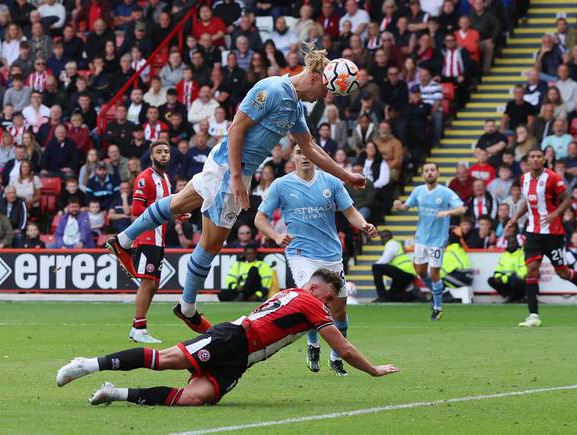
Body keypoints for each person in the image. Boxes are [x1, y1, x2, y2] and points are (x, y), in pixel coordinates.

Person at [106, 45, 366, 334]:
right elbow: (236, 129)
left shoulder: (293, 106)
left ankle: (124, 240)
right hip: (231, 168)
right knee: (211, 244)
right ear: (317, 77)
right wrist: (237, 177)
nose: (322, 97)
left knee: (180, 203)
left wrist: (346, 176)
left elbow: (310, 147)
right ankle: (187, 306)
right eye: (325, 91)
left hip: (228, 166)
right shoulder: (273, 89)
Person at [56, 269, 399, 406]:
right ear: (314, 289)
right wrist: (373, 370)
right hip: (235, 340)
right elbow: (343, 346)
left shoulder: (295, 296)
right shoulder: (309, 301)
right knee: (165, 361)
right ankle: (85, 365)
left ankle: (115, 393)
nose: (327, 305)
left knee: (196, 398)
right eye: (327, 297)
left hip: (241, 355)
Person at [255, 144, 376, 376]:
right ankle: (313, 344)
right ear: (293, 157)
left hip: (331, 254)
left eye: (308, 152)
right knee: (311, 301)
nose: (305, 156)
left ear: (317, 156)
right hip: (301, 253)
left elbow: (350, 211)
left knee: (339, 310)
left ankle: (336, 356)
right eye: (300, 152)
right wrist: (276, 235)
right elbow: (260, 219)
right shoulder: (281, 185)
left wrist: (364, 225)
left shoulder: (331, 182)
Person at [506, 148, 577, 327]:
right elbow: (528, 204)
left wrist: (555, 214)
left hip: (553, 233)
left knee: (563, 272)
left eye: (538, 156)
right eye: (532, 157)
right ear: (527, 161)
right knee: (532, 269)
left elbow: (567, 200)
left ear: (544, 159)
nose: (535, 159)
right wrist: (514, 219)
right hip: (533, 232)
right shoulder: (524, 179)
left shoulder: (552, 178)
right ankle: (533, 315)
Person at [393, 163, 466, 320]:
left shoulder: (445, 193)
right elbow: (406, 206)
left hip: (437, 240)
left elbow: (462, 209)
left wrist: (448, 212)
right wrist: (399, 206)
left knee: (434, 272)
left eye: (432, 170)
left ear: (438, 173)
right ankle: (439, 291)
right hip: (421, 239)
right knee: (420, 271)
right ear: (423, 175)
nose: (430, 173)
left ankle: (438, 307)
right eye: (427, 170)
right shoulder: (418, 191)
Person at [127, 141, 173, 344]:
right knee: (147, 283)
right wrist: (161, 210)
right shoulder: (145, 179)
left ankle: (136, 327)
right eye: (159, 152)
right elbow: (136, 211)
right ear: (151, 156)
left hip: (159, 238)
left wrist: (178, 214)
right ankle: (139, 328)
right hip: (146, 238)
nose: (164, 155)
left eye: (166, 152)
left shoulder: (165, 178)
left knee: (153, 285)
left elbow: (168, 207)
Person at [372, 230, 416, 302]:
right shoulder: (396, 244)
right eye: (381, 238)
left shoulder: (391, 243)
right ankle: (414, 297)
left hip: (404, 272)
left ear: (390, 237)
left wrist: (375, 265)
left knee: (376, 267)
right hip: (407, 274)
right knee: (391, 298)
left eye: (383, 237)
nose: (382, 240)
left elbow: (384, 260)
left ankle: (382, 296)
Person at [487, 236, 526, 302]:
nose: (511, 245)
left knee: (515, 281)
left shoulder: (522, 255)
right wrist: (498, 277)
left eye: (513, 243)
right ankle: (509, 295)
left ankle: (519, 297)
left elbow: (522, 273)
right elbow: (497, 270)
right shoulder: (504, 255)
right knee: (491, 280)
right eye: (509, 243)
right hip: (507, 279)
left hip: (517, 281)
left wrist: (505, 278)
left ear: (517, 244)